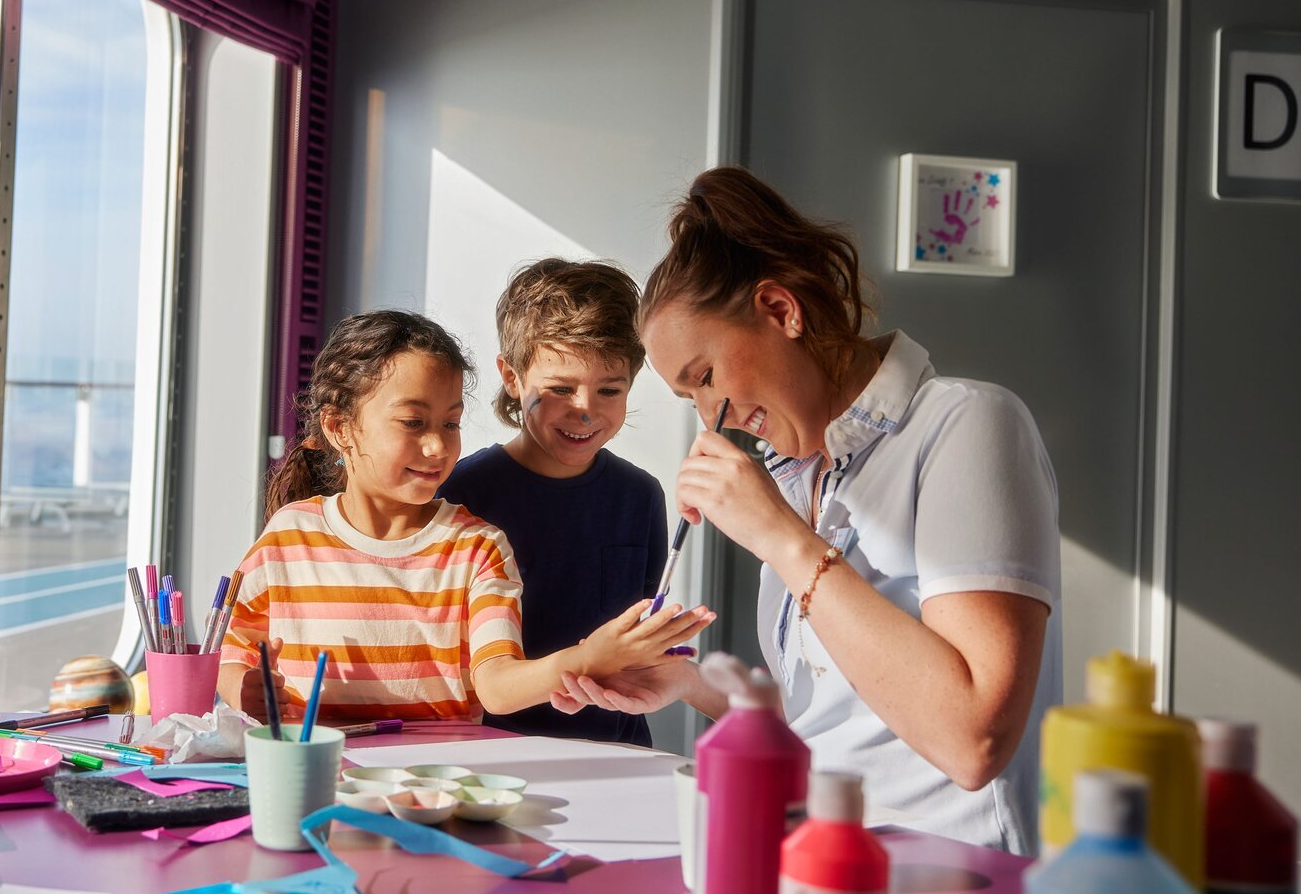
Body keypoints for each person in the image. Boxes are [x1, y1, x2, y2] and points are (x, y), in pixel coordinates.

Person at [608, 166, 1061, 853]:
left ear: (780, 310)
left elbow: (974, 741)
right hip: (822, 861)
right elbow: (836, 730)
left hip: (950, 886)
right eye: (688, 397)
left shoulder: (968, 424)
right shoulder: (798, 478)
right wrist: (688, 684)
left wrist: (781, 539)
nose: (710, 416)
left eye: (706, 377)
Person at [216, 310, 705, 723]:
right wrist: (242, 689)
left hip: (439, 785)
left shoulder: (478, 547)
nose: (437, 446)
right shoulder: (288, 536)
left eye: (450, 423)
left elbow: (497, 687)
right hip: (318, 776)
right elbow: (229, 652)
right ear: (340, 428)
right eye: (413, 422)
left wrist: (589, 658)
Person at [439, 258, 709, 745]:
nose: (585, 410)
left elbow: (638, 638)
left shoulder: (641, 496)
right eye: (560, 389)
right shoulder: (460, 495)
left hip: (619, 751)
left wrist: (661, 652)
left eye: (609, 389)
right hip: (493, 757)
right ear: (512, 377)